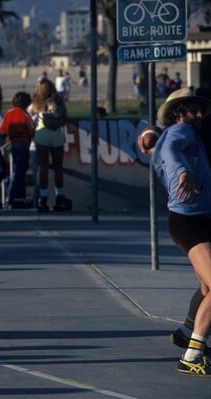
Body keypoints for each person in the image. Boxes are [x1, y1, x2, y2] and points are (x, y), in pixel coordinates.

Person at [148, 87, 211, 376]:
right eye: (192, 109)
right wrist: (183, 170)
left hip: (198, 219)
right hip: (188, 222)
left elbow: (157, 146)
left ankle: (188, 331)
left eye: (199, 109)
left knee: (207, 287)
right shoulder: (180, 132)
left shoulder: (190, 132)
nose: (198, 114)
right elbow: (170, 151)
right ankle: (192, 354)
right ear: (178, 113)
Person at [31, 78, 71, 212]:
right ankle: (60, 196)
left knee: (43, 167)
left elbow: (31, 117)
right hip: (57, 134)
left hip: (42, 135)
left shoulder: (37, 102)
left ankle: (43, 198)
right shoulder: (58, 101)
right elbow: (65, 117)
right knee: (58, 166)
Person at [0, 91, 35, 209]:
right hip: (23, 144)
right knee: (20, 171)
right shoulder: (25, 115)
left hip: (12, 143)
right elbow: (31, 129)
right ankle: (12, 197)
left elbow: (3, 130)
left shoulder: (9, 113)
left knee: (15, 170)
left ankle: (16, 196)